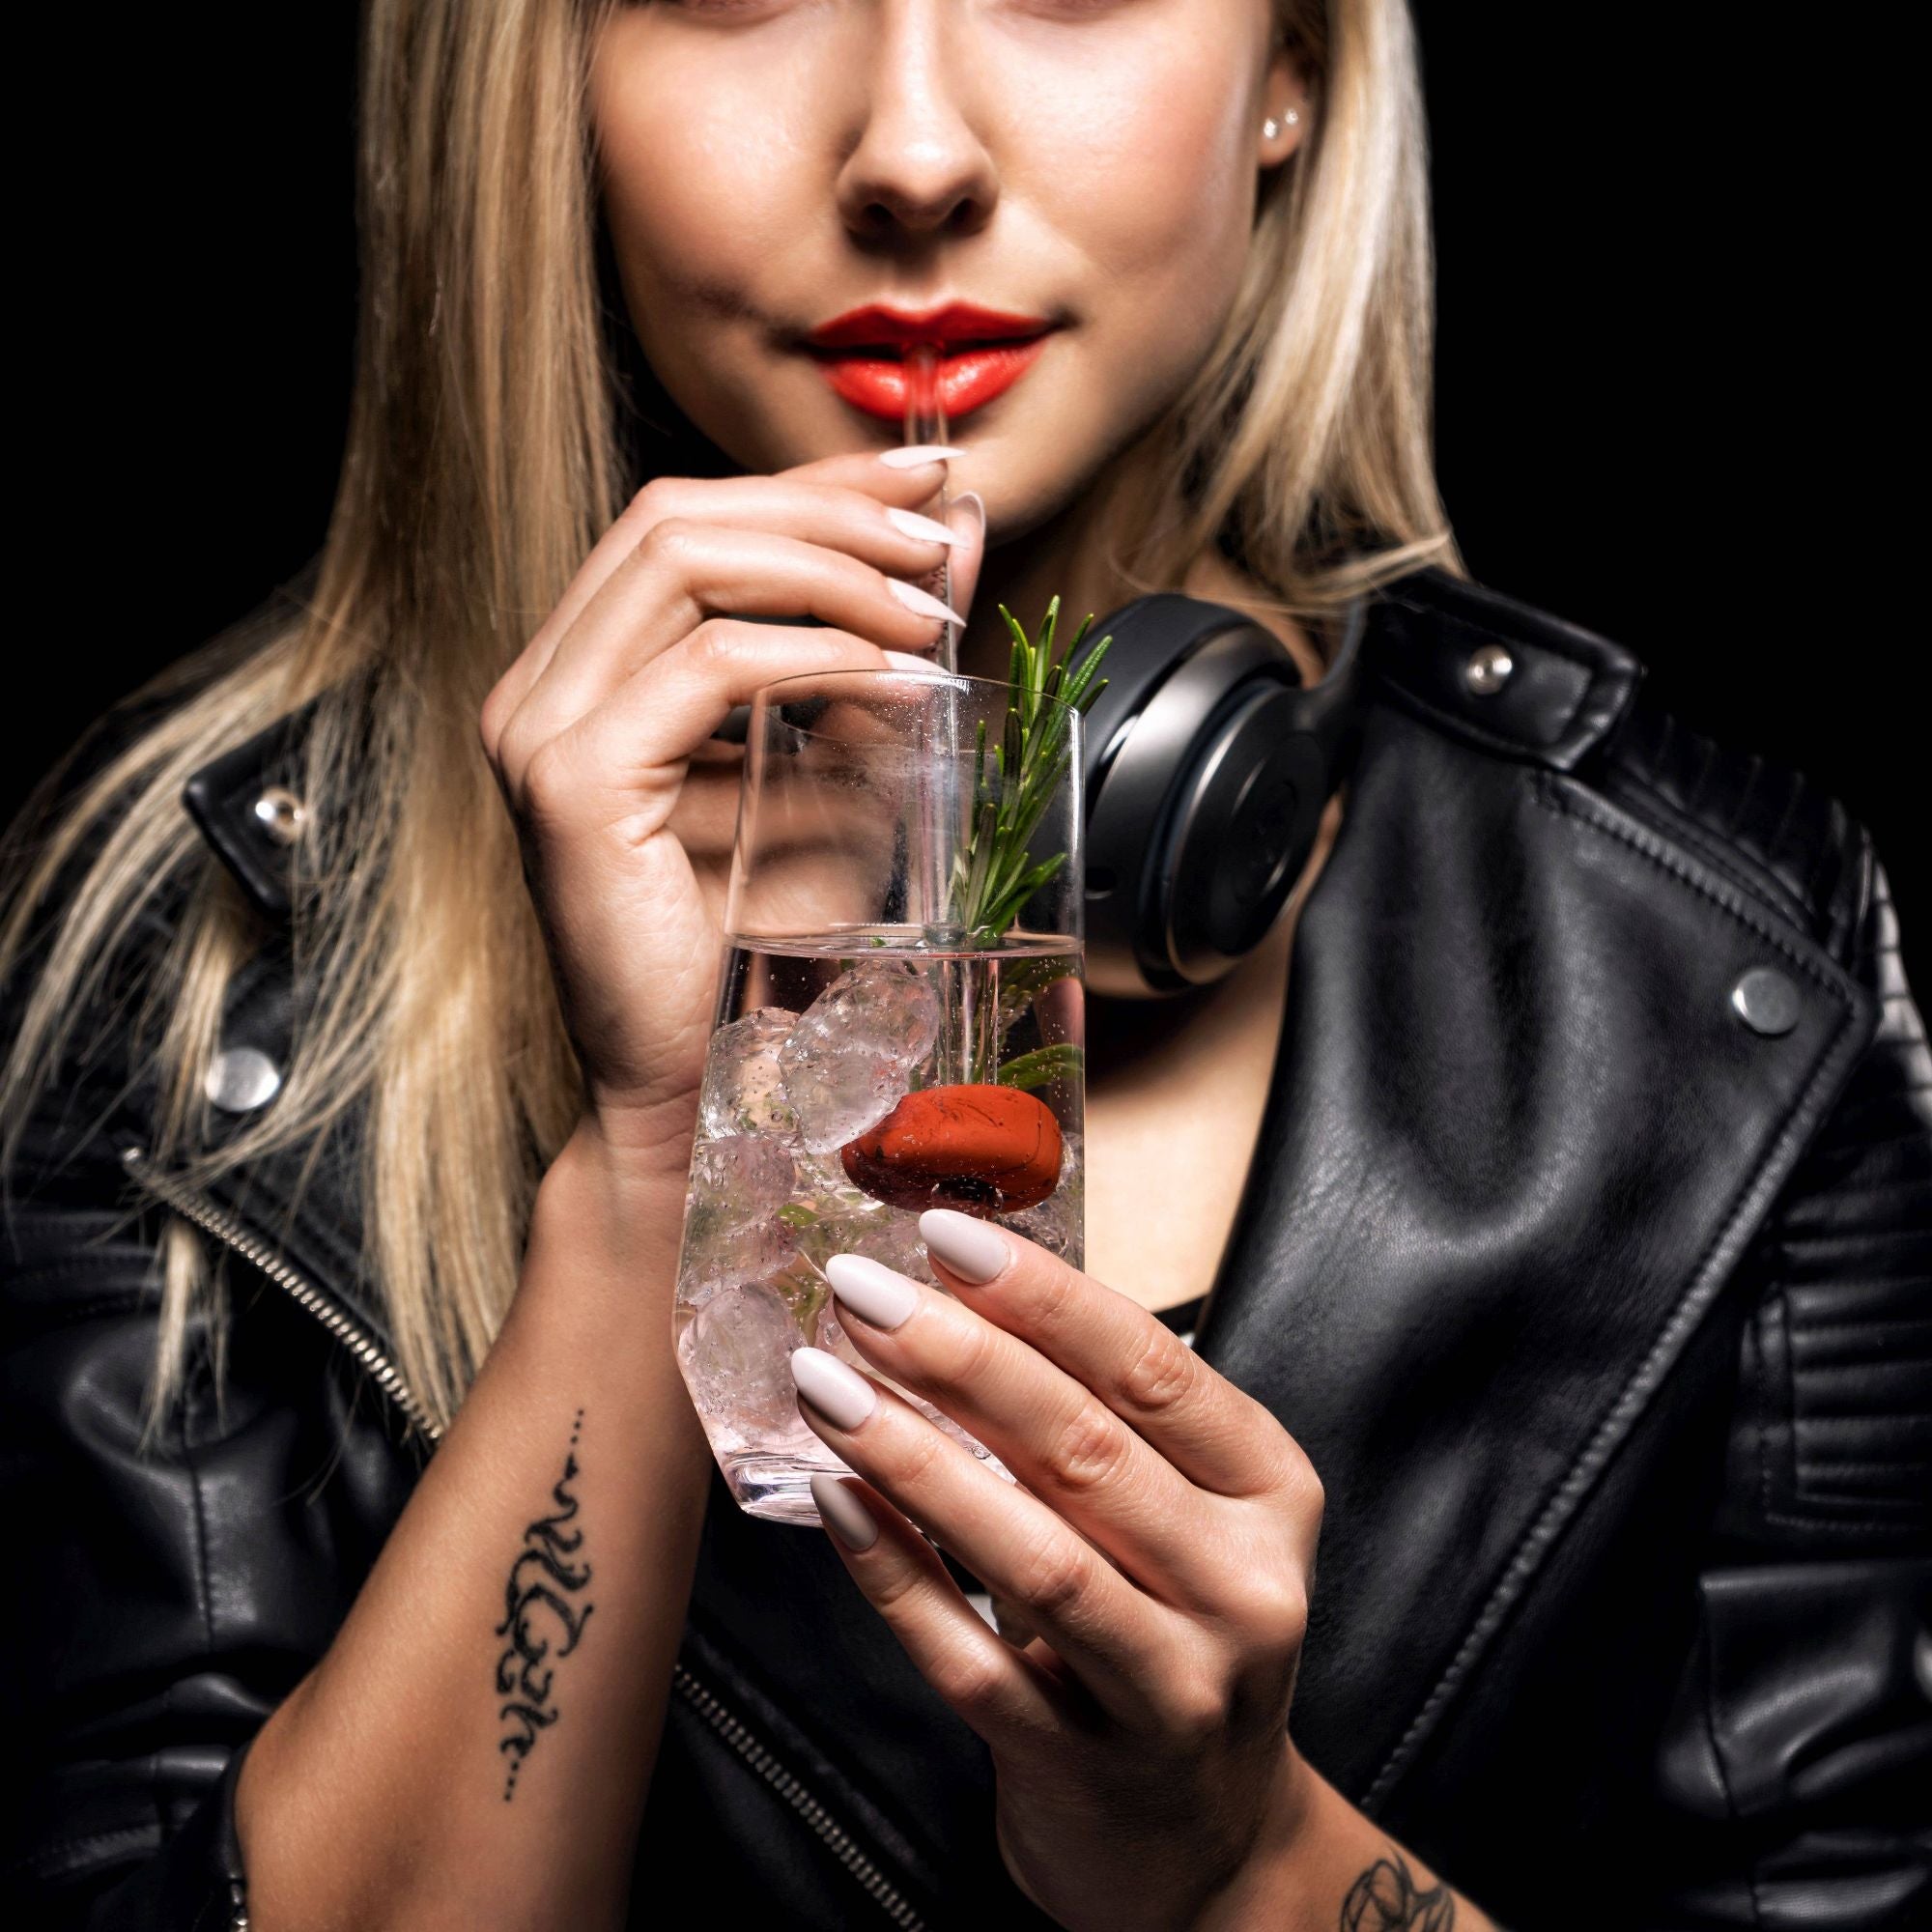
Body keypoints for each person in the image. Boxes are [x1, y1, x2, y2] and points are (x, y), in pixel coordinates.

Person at [4, 0, 1925, 1926]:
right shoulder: (200, 965)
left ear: (1295, 71)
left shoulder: (1730, 971)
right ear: (533, 94)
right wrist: (659, 1167)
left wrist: (1236, 1857)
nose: (910, 155)